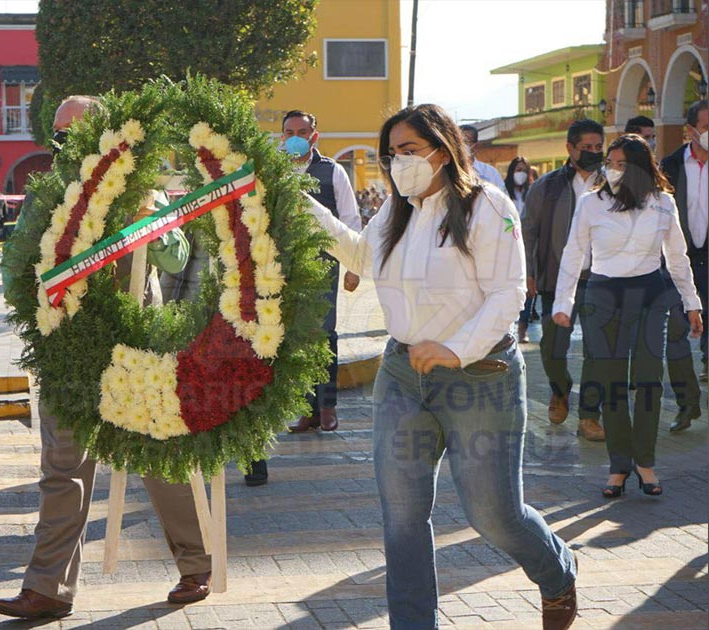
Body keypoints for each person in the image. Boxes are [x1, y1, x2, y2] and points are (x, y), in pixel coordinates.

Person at [305, 103, 578, 629]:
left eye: (409, 151)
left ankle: (557, 573)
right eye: (392, 154)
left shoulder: (487, 206)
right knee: (403, 518)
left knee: (494, 516)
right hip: (402, 377)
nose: (399, 163)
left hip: (481, 380)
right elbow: (363, 257)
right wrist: (301, 207)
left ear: (443, 149)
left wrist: (456, 348)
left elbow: (508, 293)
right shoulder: (397, 208)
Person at [0, 95, 210, 621]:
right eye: (60, 131)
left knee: (158, 459)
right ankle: (48, 588)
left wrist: (150, 224)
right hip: (67, 350)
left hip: (133, 350)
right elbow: (13, 269)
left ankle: (198, 563)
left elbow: (177, 255)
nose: (67, 140)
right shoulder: (47, 195)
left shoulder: (141, 189)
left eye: (78, 129)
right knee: (63, 470)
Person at [553, 134, 703, 498]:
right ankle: (619, 465)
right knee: (611, 384)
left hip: (651, 295)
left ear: (639, 168)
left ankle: (645, 463)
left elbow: (678, 256)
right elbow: (575, 253)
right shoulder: (591, 203)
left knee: (649, 381)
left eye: (621, 164)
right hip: (603, 296)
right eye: (610, 162)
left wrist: (692, 301)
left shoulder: (663, 203)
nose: (612, 170)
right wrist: (563, 303)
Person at [243, 110, 363, 488]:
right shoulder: (271, 170)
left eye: (302, 131)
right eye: (288, 132)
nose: (294, 137)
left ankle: (327, 406)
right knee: (292, 338)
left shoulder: (332, 172)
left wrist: (354, 265)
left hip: (323, 264)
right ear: (281, 137)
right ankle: (307, 409)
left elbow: (350, 217)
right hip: (281, 267)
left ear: (314, 135)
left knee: (323, 334)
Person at [521, 119, 607, 441]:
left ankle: (589, 415)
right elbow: (527, 232)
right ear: (570, 149)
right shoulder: (546, 187)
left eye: (599, 148)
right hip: (556, 280)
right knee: (552, 347)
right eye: (586, 148)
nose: (593, 153)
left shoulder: (612, 184)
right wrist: (529, 272)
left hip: (600, 279)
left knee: (598, 350)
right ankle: (560, 389)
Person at [661, 100, 709, 431]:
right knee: (676, 337)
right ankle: (687, 404)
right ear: (690, 129)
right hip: (681, 266)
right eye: (706, 127)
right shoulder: (671, 165)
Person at [505, 157, 537, 343]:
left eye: (524, 170)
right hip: (509, 246)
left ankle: (522, 329)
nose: (521, 173)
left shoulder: (532, 193)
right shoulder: (504, 193)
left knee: (529, 289)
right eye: (518, 169)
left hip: (528, 246)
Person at [459, 124, 506, 190]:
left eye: (466, 141)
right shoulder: (450, 171)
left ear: (477, 146)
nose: (462, 145)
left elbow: (502, 197)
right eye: (459, 141)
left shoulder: (491, 173)